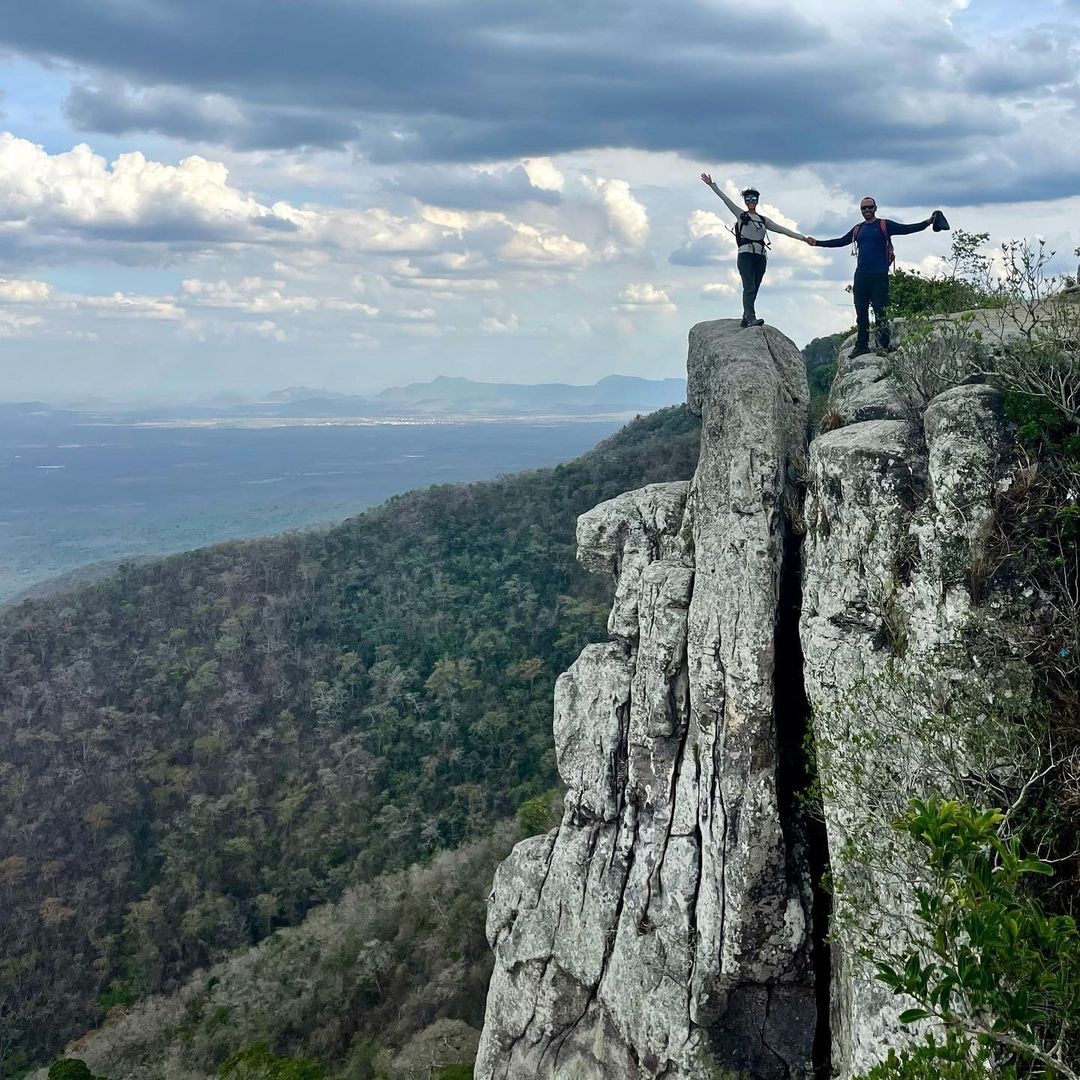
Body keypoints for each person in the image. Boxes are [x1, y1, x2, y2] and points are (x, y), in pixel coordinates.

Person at [806, 199, 941, 356]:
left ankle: (883, 345)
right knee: (861, 313)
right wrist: (817, 243)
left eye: (870, 207)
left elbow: (907, 229)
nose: (867, 210)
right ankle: (861, 346)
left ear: (875, 208)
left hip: (879, 275)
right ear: (861, 210)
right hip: (861, 275)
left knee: (880, 312)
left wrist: (928, 222)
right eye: (864, 208)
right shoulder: (858, 229)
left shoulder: (884, 225)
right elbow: (841, 241)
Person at [700, 174, 812, 327]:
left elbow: (782, 230)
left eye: (753, 199)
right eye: (748, 199)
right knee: (749, 286)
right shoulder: (741, 215)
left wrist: (803, 238)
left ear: (757, 201)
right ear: (745, 202)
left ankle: (746, 317)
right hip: (745, 254)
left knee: (755, 286)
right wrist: (712, 185)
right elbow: (726, 200)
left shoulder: (763, 220)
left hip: (760, 256)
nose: (751, 201)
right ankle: (751, 317)